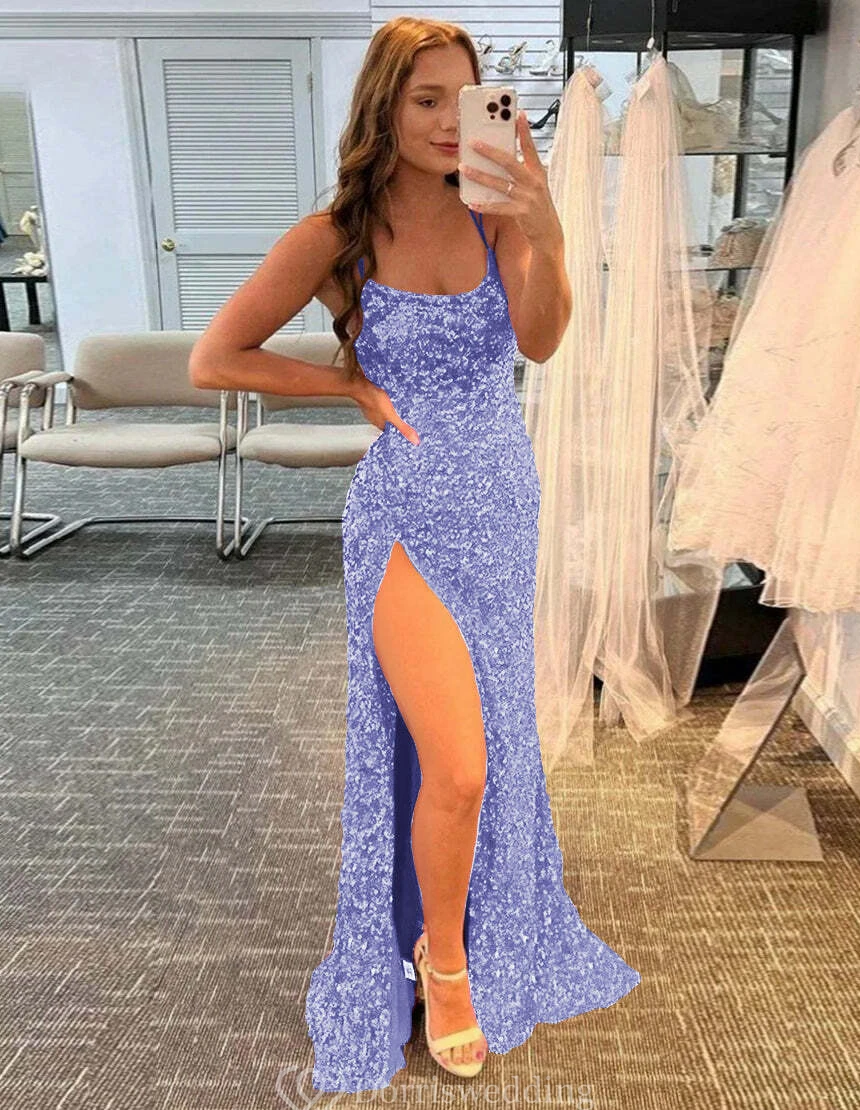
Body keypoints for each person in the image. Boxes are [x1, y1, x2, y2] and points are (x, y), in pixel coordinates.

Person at [190, 15, 640, 1093]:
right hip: (402, 514)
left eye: (463, 98)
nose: (447, 121)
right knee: (461, 764)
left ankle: (464, 931)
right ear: (383, 107)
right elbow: (217, 357)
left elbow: (539, 341)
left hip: (501, 505)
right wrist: (345, 385)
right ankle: (444, 966)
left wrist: (547, 232)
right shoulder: (335, 235)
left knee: (492, 745)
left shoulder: (498, 215)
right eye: (424, 99)